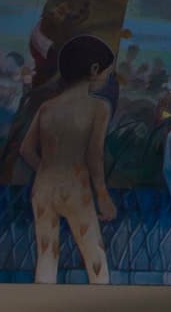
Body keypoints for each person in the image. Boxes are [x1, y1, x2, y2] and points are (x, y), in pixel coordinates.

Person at [19, 34, 118, 284]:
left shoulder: (47, 107)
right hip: (76, 188)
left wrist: (46, 170)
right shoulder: (99, 107)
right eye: (107, 73)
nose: (107, 78)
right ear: (94, 69)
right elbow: (94, 156)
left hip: (43, 188)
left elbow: (26, 150)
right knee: (94, 257)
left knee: (46, 254)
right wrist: (103, 196)